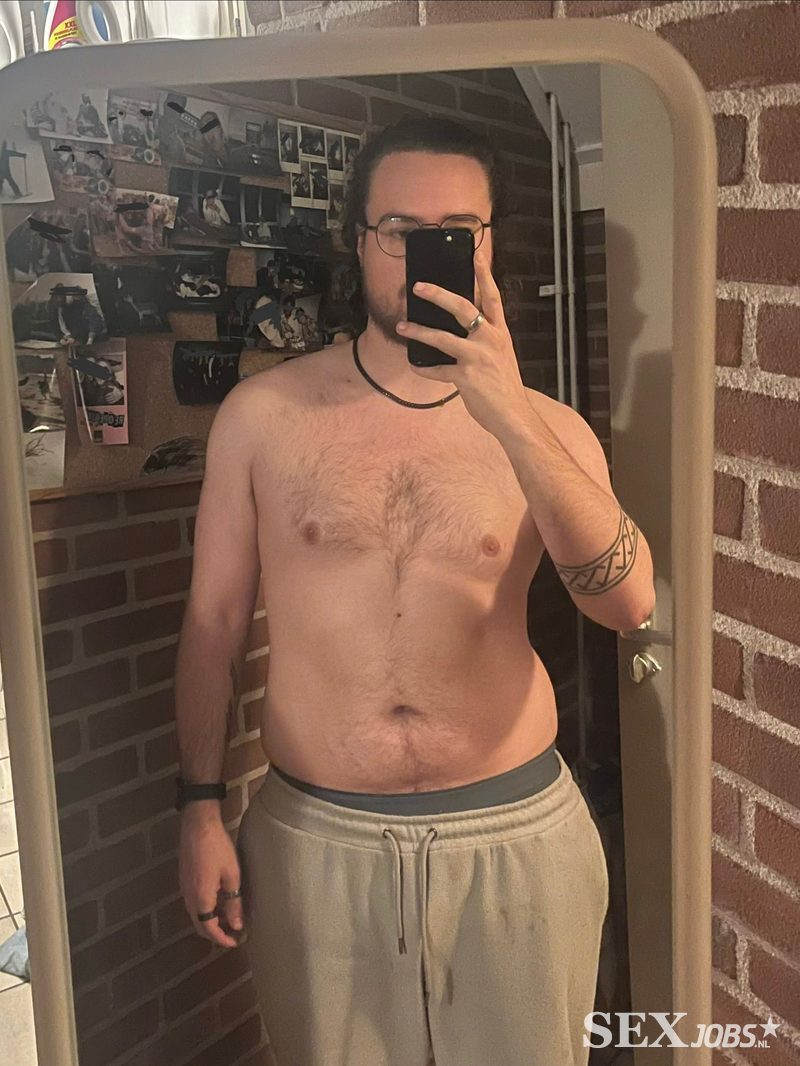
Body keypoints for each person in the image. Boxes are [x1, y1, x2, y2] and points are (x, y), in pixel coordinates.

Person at [175, 115, 655, 1066]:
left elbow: (628, 602)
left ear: (488, 248)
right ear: (359, 241)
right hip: (316, 842)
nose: (426, 254)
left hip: (514, 837)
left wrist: (507, 412)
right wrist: (197, 805)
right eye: (400, 229)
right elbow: (213, 621)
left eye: (457, 231)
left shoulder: (549, 427)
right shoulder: (264, 417)